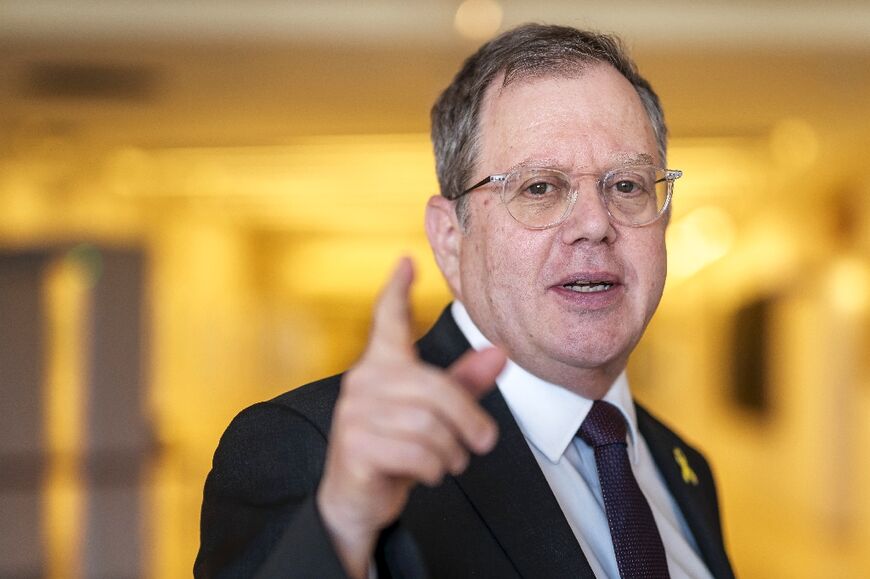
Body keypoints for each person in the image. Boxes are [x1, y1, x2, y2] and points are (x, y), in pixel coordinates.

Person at [195, 23, 735, 579]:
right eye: (539, 188)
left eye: (626, 185)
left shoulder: (681, 466)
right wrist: (345, 523)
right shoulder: (312, 452)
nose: (595, 224)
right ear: (451, 237)